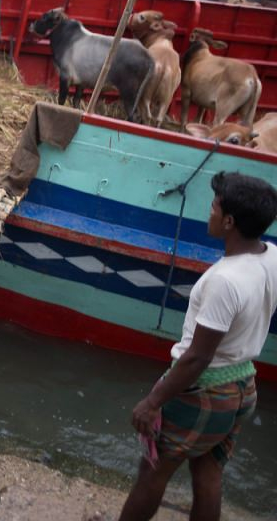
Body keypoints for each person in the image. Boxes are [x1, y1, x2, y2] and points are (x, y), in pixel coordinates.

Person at [118, 172, 277, 521]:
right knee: (208, 474)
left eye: (214, 208)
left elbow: (198, 357)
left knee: (153, 471)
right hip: (242, 387)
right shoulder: (272, 256)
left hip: (204, 393)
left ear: (230, 221)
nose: (209, 214)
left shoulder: (224, 280)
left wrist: (152, 402)